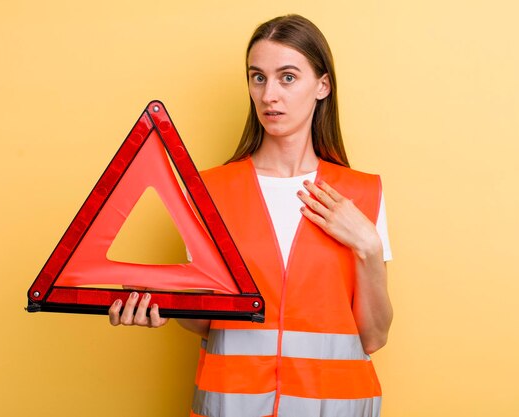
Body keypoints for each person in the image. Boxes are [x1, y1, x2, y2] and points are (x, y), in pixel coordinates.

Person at [109, 14, 393, 417]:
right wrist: (162, 307)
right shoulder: (211, 191)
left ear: (322, 86)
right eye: (258, 77)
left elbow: (375, 336)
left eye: (288, 77)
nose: (269, 94)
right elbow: (207, 323)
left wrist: (368, 245)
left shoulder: (362, 194)